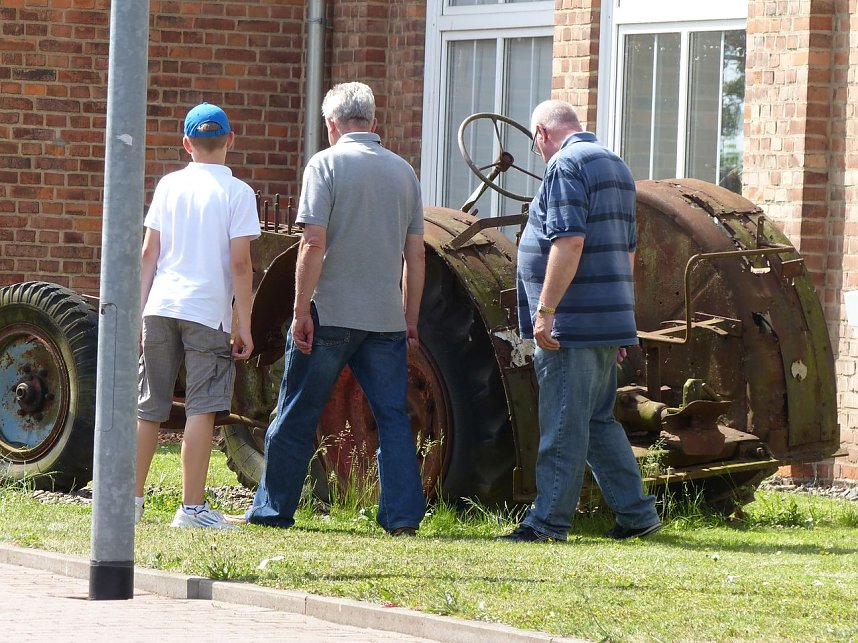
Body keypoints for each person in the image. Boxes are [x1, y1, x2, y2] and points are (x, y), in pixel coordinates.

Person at [243, 82, 426, 535]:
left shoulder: (324, 165)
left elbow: (312, 242)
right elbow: (416, 255)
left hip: (330, 313)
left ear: (331, 125)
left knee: (296, 413)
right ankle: (402, 517)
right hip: (384, 318)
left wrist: (301, 308)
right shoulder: (405, 173)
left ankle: (273, 510)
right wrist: (410, 320)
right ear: (373, 122)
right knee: (393, 419)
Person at [500, 99, 661, 542]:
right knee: (596, 421)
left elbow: (569, 242)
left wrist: (546, 311)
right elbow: (627, 251)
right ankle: (636, 514)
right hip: (605, 318)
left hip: (570, 322)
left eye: (536, 143)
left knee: (563, 423)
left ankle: (548, 522)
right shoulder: (616, 165)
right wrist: (622, 322)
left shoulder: (564, 166)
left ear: (541, 133)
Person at [135, 102, 261, 529]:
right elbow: (241, 265)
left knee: (149, 406)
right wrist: (244, 321)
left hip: (161, 306)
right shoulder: (239, 193)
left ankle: (130, 502)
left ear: (186, 143)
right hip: (207, 311)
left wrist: (140, 311)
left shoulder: (168, 186)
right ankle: (191, 509)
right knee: (201, 409)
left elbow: (148, 252)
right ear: (230, 140)